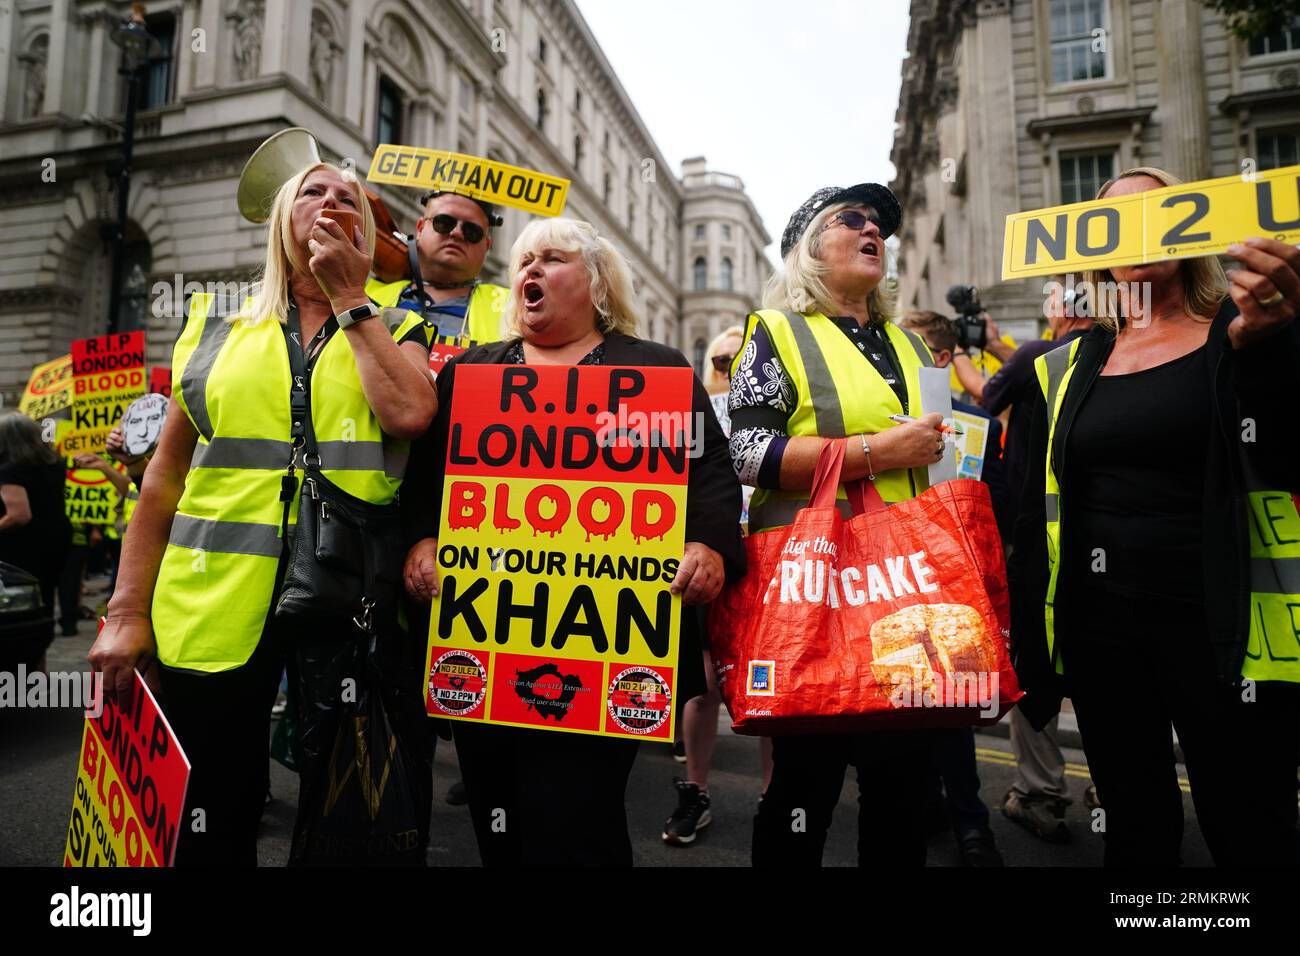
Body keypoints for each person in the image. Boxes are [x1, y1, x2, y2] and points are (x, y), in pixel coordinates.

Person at [88, 157, 438, 866]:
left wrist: (350, 297)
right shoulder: (213, 323)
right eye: (314, 192)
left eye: (350, 201)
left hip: (348, 609)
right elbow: (164, 477)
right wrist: (127, 611)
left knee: (347, 821)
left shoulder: (397, 324)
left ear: (367, 237)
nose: (332, 203)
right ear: (284, 218)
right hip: (210, 606)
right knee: (208, 816)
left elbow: (408, 412)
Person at [402, 216, 745, 867]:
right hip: (484, 644)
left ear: (595, 281)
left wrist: (706, 546)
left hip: (605, 650)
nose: (529, 270)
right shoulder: (471, 373)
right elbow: (426, 480)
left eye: (551, 259)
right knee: (496, 816)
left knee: (580, 819)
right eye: (524, 260)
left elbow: (709, 473)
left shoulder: (655, 372)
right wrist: (421, 541)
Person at [1009, 165, 1300, 867]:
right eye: (1115, 220)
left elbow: (1287, 456)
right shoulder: (1064, 365)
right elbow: (1030, 514)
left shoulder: (1242, 332)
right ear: (1094, 248)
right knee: (1134, 828)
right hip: (1103, 637)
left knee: (1250, 825)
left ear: (1191, 230)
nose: (1137, 232)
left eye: (1157, 213)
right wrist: (1028, 653)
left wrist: (1274, 346)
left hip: (1225, 632)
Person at [729, 183, 949, 867]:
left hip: (908, 593)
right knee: (804, 787)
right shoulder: (775, 332)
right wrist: (875, 454)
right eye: (848, 220)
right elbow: (747, 452)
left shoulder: (915, 347)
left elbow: (941, 472)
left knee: (903, 788)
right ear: (809, 251)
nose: (871, 229)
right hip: (814, 594)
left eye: (879, 224)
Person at [979, 276, 1093, 842]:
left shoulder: (1035, 355)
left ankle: (1040, 793)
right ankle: (1111, 784)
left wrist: (1005, 352)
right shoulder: (1121, 355)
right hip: (1106, 541)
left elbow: (984, 403)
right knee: (1106, 668)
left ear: (1058, 310)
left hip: (1037, 542)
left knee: (1033, 669)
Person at [898, 309, 1005, 867]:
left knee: (953, 708)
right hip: (893, 583)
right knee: (900, 706)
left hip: (955, 586)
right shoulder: (879, 422)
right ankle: (922, 809)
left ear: (939, 361)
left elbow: (1000, 502)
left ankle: (971, 825)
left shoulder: (977, 424)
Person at [661, 326, 773, 847]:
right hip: (707, 555)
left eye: (742, 361)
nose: (732, 371)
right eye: (723, 361)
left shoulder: (769, 406)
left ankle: (774, 796)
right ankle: (695, 791)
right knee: (702, 684)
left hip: (764, 555)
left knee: (768, 683)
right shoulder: (696, 408)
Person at [366, 189, 509, 372]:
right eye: (443, 222)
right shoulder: (366, 293)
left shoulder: (513, 306)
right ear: (420, 228)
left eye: (472, 231)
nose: (457, 234)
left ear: (487, 246)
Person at [0, 411, 72, 656]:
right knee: (45, 600)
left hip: (22, 548)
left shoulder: (9, 471)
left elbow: (19, 515)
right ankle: (38, 664)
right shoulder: (54, 464)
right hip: (56, 540)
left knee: (21, 608)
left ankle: (26, 667)